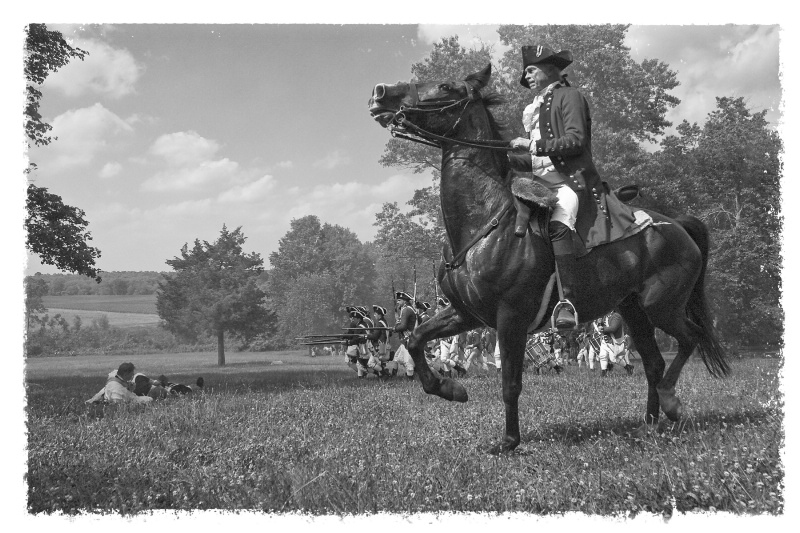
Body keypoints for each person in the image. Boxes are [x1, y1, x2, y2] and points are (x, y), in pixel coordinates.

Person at [508, 45, 643, 330]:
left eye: (531, 70)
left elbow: (575, 140)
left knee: (558, 223)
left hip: (569, 184)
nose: (527, 76)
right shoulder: (534, 108)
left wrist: (533, 144)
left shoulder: (570, 96)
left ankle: (566, 302)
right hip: (538, 184)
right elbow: (532, 160)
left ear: (549, 69)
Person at [86, 362, 153, 404]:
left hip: (110, 396)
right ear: (126, 374)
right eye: (131, 374)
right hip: (120, 399)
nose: (133, 376)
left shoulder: (116, 376)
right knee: (149, 399)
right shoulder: (117, 388)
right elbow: (117, 402)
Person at [393, 291, 418, 380]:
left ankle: (410, 379)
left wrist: (395, 329)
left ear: (405, 301)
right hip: (407, 339)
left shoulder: (406, 310)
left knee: (408, 362)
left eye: (399, 300)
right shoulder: (407, 309)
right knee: (398, 357)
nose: (397, 302)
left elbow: (403, 326)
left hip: (409, 338)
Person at [598, 310, 629, 376]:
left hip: (613, 341)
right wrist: (599, 323)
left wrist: (602, 329)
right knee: (602, 356)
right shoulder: (605, 316)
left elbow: (613, 328)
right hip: (605, 340)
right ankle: (604, 373)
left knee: (613, 359)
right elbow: (601, 327)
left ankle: (628, 367)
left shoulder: (616, 316)